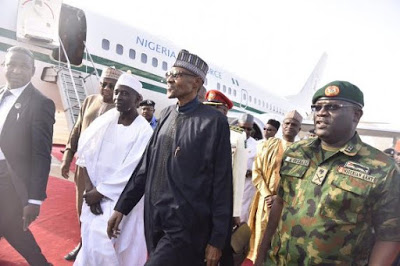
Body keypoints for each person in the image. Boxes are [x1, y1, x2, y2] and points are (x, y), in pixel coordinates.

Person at [107, 49, 233, 266]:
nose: (170, 78)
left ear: (196, 83)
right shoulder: (165, 114)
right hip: (154, 219)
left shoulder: (213, 122)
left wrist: (218, 239)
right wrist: (122, 207)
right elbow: (145, 168)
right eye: (169, 73)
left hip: (186, 226)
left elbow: (222, 184)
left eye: (177, 74)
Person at [256, 81, 400, 265]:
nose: (321, 112)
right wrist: (261, 257)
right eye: (317, 107)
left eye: (333, 107)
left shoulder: (382, 168)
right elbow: (280, 204)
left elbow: (390, 234)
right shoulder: (296, 152)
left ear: (356, 115)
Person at [74, 73, 152, 266]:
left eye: (125, 93)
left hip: (120, 201)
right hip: (93, 195)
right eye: (117, 92)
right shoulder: (105, 122)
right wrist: (90, 189)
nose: (118, 97)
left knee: (110, 248)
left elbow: (133, 169)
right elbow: (86, 154)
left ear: (138, 99)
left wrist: (100, 192)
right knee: (90, 243)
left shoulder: (144, 131)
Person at [0, 46, 55, 265]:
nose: (16, 70)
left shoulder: (40, 103)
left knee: (13, 226)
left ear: (32, 71)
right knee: (11, 227)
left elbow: (41, 154)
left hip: (12, 179)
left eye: (23, 66)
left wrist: (34, 198)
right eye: (11, 64)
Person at [61, 66, 123, 261]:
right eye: (103, 84)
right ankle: (82, 243)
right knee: (81, 208)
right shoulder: (89, 101)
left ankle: (95, 248)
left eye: (111, 86)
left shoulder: (121, 111)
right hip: (83, 167)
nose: (106, 89)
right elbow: (77, 129)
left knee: (98, 211)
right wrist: (67, 156)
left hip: (103, 172)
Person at [247, 110, 302, 262]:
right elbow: (256, 172)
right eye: (287, 123)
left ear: (299, 129)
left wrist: (280, 197)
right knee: (261, 239)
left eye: (294, 124)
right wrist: (267, 195)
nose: (290, 126)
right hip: (265, 203)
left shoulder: (303, 151)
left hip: (288, 206)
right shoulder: (267, 145)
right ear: (282, 126)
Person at [204, 89, 247, 265]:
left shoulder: (237, 136)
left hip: (221, 205)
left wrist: (235, 211)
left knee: (220, 251)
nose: (212, 113)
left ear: (225, 112)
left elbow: (238, 175)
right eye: (209, 108)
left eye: (217, 109)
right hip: (197, 203)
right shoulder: (199, 131)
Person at [238, 113, 258, 223]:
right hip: (229, 183)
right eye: (242, 128)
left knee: (243, 214)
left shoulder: (257, 146)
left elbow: (260, 167)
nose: (245, 131)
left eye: (248, 129)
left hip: (247, 185)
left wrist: (250, 172)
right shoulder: (228, 140)